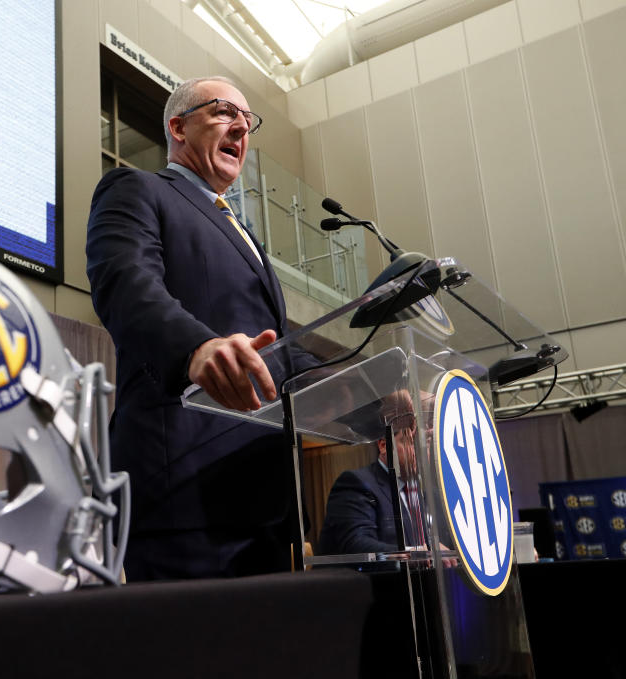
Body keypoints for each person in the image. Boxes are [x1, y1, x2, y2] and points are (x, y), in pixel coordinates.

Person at [86, 76, 300, 580]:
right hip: (183, 493)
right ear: (178, 127)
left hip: (264, 501)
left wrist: (356, 384)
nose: (241, 128)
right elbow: (126, 281)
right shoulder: (137, 189)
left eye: (248, 121)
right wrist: (195, 347)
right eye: (225, 112)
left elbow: (276, 344)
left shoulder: (244, 233)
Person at [318, 391, 424, 555]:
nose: (415, 450)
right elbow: (357, 544)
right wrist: (417, 552)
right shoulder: (355, 483)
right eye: (409, 441)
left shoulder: (418, 492)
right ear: (383, 445)